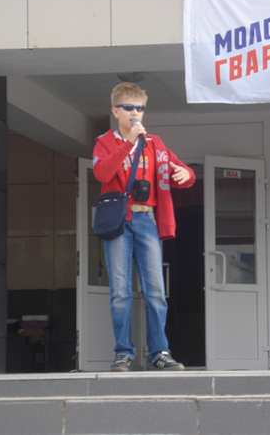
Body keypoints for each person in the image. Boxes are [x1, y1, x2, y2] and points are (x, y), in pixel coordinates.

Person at [92, 82, 196, 372]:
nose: (135, 113)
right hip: (119, 220)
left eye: (140, 108)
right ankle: (123, 353)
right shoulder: (105, 142)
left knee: (155, 291)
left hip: (146, 219)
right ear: (115, 111)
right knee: (120, 291)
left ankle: (159, 352)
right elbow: (102, 173)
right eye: (129, 108)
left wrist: (184, 173)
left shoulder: (154, 143)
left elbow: (185, 174)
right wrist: (127, 143)